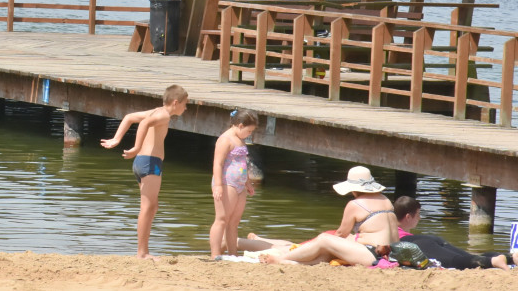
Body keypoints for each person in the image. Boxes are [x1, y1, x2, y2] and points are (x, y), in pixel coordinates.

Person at [100, 84, 189, 260]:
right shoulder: (162, 115)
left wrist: (117, 139)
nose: (186, 108)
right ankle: (142, 252)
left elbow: (129, 117)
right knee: (148, 208)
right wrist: (136, 147)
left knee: (152, 207)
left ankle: (144, 251)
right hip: (150, 163)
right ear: (176, 102)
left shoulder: (156, 111)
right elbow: (144, 124)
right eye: (185, 104)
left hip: (143, 162)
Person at [261, 166, 399, 266]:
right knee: (328, 250)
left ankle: (282, 259)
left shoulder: (356, 204)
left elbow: (341, 233)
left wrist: (318, 244)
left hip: (371, 253)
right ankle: (292, 262)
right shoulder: (386, 201)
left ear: (353, 188)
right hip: (391, 254)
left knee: (324, 239)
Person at [395, 196, 517, 269]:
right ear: (408, 217)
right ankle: (511, 258)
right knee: (467, 257)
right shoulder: (401, 234)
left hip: (420, 243)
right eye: (418, 215)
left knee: (456, 262)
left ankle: (494, 261)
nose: (420, 218)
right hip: (428, 240)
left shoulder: (392, 231)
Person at [209, 110, 258, 258]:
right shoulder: (225, 139)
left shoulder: (240, 138)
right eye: (249, 131)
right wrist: (218, 185)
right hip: (226, 182)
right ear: (240, 125)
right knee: (222, 219)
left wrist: (248, 182)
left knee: (234, 222)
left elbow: (243, 163)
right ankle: (215, 254)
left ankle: (232, 254)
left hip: (240, 184)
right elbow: (217, 163)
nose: (249, 134)